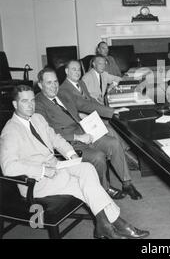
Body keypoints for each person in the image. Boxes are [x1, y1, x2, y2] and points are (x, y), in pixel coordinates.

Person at [0, 85, 149, 239]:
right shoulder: (10, 131)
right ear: (15, 104)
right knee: (81, 184)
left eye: (32, 100)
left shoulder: (37, 118)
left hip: (56, 166)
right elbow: (8, 167)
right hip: (35, 181)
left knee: (87, 169)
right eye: (25, 101)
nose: (31, 105)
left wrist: (71, 155)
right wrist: (43, 171)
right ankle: (116, 224)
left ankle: (103, 226)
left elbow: (55, 139)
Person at [35, 67, 142, 200]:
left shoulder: (63, 94)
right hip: (69, 142)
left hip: (85, 133)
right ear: (40, 85)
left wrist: (112, 111)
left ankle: (127, 183)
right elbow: (46, 132)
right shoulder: (37, 104)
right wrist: (77, 137)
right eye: (49, 82)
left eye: (56, 81)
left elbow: (87, 105)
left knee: (114, 143)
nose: (54, 86)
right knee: (98, 156)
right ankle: (104, 188)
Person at [59, 60, 139, 170]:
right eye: (74, 69)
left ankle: (125, 156)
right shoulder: (63, 90)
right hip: (80, 126)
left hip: (90, 118)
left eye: (78, 69)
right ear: (66, 71)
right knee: (110, 130)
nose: (77, 72)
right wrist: (110, 111)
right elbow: (78, 109)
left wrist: (108, 109)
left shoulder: (81, 83)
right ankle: (126, 158)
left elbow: (91, 101)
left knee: (114, 127)